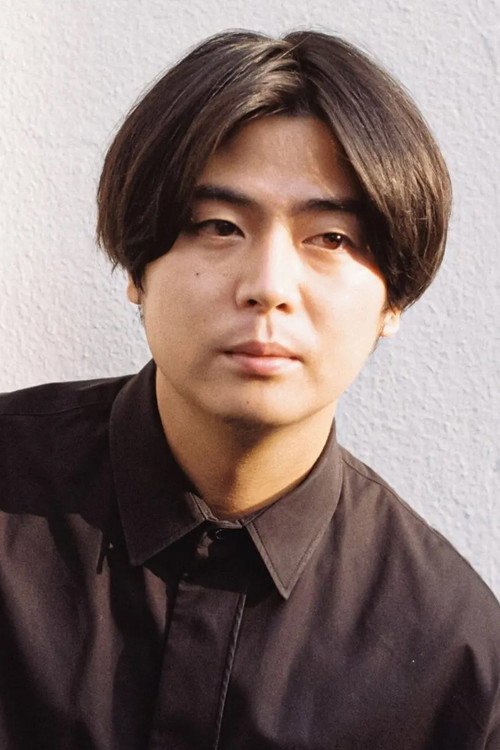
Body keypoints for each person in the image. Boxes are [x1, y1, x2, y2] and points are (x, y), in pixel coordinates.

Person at [0, 29, 498, 750]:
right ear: (138, 268)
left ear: (393, 300)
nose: (268, 286)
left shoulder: (453, 656)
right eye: (219, 226)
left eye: (331, 239)